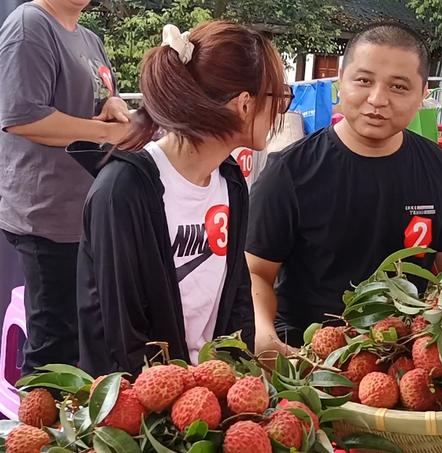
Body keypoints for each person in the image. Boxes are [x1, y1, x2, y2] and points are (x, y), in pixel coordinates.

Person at [69, 21, 289, 376]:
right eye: (278, 97)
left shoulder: (230, 180)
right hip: (144, 409)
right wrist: (182, 398)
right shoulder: (124, 190)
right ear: (245, 105)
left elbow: (236, 297)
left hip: (208, 396)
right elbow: (122, 338)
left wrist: (234, 377)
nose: (280, 110)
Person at [246, 23, 442, 353]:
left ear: (423, 92)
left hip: (408, 350)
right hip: (308, 353)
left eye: (399, 87)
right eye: (364, 81)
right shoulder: (289, 171)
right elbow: (256, 272)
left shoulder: (439, 167)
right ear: (341, 81)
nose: (377, 99)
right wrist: (266, 338)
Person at [0, 0, 129, 375]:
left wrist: (115, 105)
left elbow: (100, 101)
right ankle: (35, 432)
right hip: (47, 212)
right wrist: (107, 132)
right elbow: (24, 117)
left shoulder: (90, 38)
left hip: (85, 210)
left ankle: (69, 428)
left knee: (83, 337)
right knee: (53, 344)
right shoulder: (30, 25)